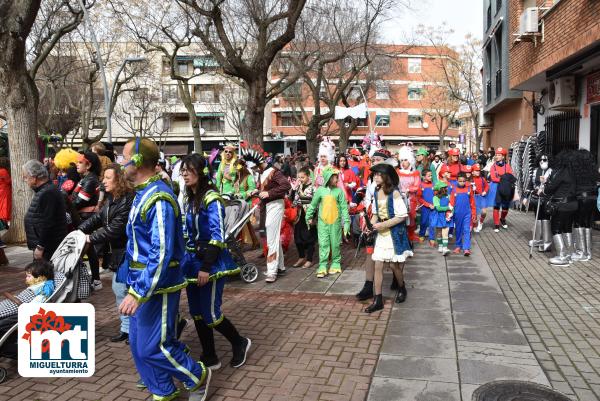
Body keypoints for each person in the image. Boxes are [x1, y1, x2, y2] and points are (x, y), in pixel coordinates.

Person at [118, 138, 210, 401]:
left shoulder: (158, 197)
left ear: (136, 161)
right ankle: (163, 391)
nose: (120, 163)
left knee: (153, 347)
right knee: (138, 347)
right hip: (139, 282)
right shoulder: (143, 193)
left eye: (124, 157)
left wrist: (139, 292)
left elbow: (160, 252)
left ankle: (197, 376)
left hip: (157, 285)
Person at [179, 153, 251, 371]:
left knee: (211, 313)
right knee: (197, 313)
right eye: (183, 170)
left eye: (188, 170)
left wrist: (206, 267)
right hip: (191, 263)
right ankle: (209, 355)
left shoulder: (211, 198)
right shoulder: (188, 198)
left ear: (200, 173)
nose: (184, 173)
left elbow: (218, 235)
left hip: (210, 264)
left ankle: (240, 342)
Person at [79, 164, 134, 343]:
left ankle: (132, 329)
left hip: (129, 252)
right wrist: (79, 231)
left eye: (108, 177)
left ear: (119, 179)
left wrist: (89, 238)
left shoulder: (127, 200)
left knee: (124, 289)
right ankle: (127, 329)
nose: (104, 181)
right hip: (118, 252)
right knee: (121, 289)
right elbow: (98, 218)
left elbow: (115, 229)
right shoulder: (112, 199)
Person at [364, 162, 411, 313]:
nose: (375, 177)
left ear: (386, 176)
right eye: (374, 175)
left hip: (394, 234)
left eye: (378, 174)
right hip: (382, 234)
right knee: (378, 265)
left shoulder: (395, 193)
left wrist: (383, 225)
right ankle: (378, 299)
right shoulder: (377, 192)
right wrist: (370, 225)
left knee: (393, 266)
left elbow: (402, 216)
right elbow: (377, 214)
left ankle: (402, 287)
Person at [242, 147, 291, 283]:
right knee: (272, 237)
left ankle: (272, 271)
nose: (255, 171)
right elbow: (266, 189)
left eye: (255, 168)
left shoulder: (274, 172)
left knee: (271, 239)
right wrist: (257, 192)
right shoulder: (264, 172)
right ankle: (279, 267)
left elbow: (286, 185)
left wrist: (269, 193)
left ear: (259, 165)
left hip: (275, 205)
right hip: (268, 206)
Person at [355, 149, 391, 301]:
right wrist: (366, 217)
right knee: (370, 252)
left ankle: (399, 282)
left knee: (392, 257)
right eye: (373, 159)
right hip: (373, 219)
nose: (374, 162)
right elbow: (368, 198)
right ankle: (369, 285)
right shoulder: (371, 178)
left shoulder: (392, 179)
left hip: (389, 221)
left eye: (378, 159)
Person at [305, 166, 350, 278]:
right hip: (322, 224)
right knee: (323, 244)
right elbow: (313, 205)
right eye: (335, 177)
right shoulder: (320, 191)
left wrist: (347, 222)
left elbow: (344, 208)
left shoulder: (339, 191)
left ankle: (335, 263)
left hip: (335, 223)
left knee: (335, 244)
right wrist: (308, 216)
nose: (337, 180)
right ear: (328, 178)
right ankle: (323, 265)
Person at [23, 160, 67, 261]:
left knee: (44, 275)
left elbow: (48, 222)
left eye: (26, 177)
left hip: (48, 248)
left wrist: (40, 246)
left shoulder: (48, 192)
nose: (25, 180)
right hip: (45, 246)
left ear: (34, 178)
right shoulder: (45, 190)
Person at [539, 150, 578, 266]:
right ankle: (569, 254)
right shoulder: (574, 172)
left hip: (562, 205)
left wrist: (543, 190)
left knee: (555, 228)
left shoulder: (562, 172)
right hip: (573, 204)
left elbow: (551, 187)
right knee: (567, 229)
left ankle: (562, 256)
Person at [72, 151, 103, 290]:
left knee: (85, 249)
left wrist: (66, 201)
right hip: (82, 218)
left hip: (86, 219)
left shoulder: (90, 180)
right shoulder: (85, 178)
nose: (77, 164)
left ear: (88, 165)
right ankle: (95, 280)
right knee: (88, 250)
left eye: (80, 162)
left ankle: (94, 280)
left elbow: (78, 202)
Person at [570, 150, 599, 261]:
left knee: (578, 223)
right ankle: (588, 253)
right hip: (592, 198)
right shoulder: (593, 170)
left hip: (580, 198)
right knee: (588, 224)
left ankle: (580, 251)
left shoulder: (575, 170)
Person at [524, 154, 553, 251]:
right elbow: (530, 184)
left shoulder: (551, 171)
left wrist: (546, 183)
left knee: (545, 219)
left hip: (546, 199)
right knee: (537, 218)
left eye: (544, 160)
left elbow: (554, 186)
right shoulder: (535, 171)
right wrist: (525, 197)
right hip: (536, 198)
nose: (542, 161)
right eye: (540, 160)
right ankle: (537, 239)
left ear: (548, 161)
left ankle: (546, 242)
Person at [291, 167, 317, 269]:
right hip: (299, 215)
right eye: (299, 177)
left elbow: (315, 203)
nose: (300, 179)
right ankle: (301, 256)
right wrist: (294, 189)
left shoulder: (313, 188)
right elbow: (293, 201)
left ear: (308, 176)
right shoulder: (298, 187)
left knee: (310, 238)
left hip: (309, 215)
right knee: (297, 238)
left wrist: (313, 216)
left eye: (302, 177)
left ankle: (309, 259)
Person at [397, 145, 421, 242]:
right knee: (401, 218)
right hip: (399, 198)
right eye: (402, 160)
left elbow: (417, 186)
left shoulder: (415, 173)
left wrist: (408, 190)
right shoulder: (397, 172)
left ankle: (410, 236)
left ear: (410, 160)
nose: (403, 162)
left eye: (405, 160)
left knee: (411, 219)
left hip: (411, 199)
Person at [450, 172, 476, 256]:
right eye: (460, 181)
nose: (462, 183)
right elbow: (451, 202)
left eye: (463, 181)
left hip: (467, 213)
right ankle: (458, 246)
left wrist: (474, 213)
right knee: (458, 230)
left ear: (466, 181)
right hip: (457, 214)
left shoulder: (469, 189)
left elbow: (472, 203)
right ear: (457, 180)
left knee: (466, 230)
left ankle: (466, 248)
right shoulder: (454, 189)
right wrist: (449, 213)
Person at [488, 147, 513, 232]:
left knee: (505, 207)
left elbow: (510, 176)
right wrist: (503, 178)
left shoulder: (508, 166)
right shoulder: (493, 166)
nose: (497, 156)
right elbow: (493, 178)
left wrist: (500, 177)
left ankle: (502, 218)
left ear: (503, 156)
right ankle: (496, 224)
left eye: (499, 155)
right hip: (495, 188)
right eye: (496, 155)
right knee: (496, 206)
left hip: (505, 187)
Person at [432, 181, 453, 256]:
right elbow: (438, 208)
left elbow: (451, 204)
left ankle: (444, 248)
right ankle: (440, 246)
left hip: (446, 216)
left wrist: (451, 212)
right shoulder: (435, 198)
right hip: (439, 216)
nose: (446, 189)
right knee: (439, 233)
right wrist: (447, 208)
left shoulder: (448, 196)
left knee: (445, 232)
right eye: (444, 188)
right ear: (440, 189)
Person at [417, 170, 436, 246]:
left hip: (433, 207)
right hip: (425, 207)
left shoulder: (434, 185)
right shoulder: (421, 185)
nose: (431, 177)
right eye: (429, 176)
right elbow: (419, 198)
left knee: (432, 223)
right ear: (424, 177)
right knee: (424, 222)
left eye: (431, 175)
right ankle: (422, 234)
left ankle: (431, 238)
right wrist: (427, 205)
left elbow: (436, 196)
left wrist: (435, 204)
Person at [471, 164, 489, 233]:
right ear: (472, 172)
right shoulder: (470, 179)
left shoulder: (482, 179)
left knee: (484, 212)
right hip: (473, 197)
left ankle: (481, 222)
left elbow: (487, 186)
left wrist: (485, 191)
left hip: (481, 197)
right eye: (476, 171)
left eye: (479, 171)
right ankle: (474, 226)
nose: (478, 172)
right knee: (474, 213)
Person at [0, 157, 11, 266]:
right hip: (4, 191)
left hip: (2, 190)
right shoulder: (3, 171)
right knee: (4, 208)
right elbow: (8, 181)